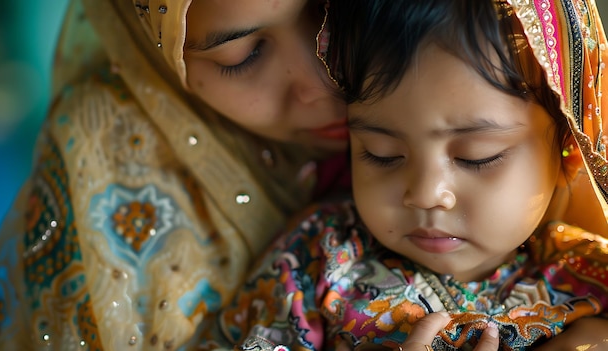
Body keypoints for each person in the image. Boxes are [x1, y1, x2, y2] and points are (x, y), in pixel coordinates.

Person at [199, 0, 608, 350]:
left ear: (570, 153)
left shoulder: (591, 277)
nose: (426, 194)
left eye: (476, 157)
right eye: (383, 155)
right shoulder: (318, 259)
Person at [0, 0, 356, 349]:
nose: (326, 82)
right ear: (158, 51)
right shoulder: (114, 158)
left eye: (337, 13)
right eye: (242, 56)